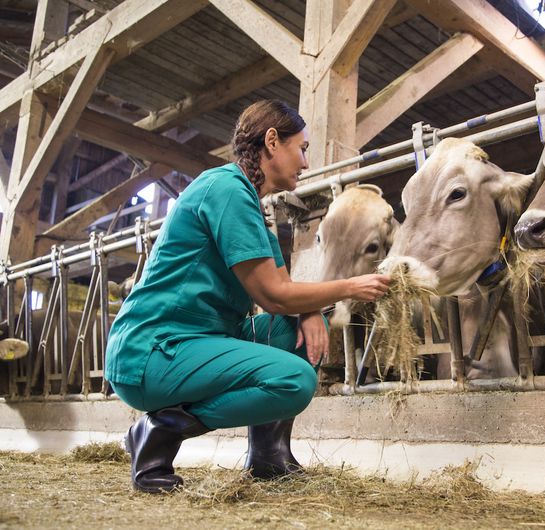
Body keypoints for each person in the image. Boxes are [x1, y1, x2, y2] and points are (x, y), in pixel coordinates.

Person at [105, 100, 391, 494]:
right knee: (294, 381)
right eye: (302, 148)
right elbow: (273, 295)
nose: (305, 163)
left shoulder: (254, 209)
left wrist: (308, 310)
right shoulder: (225, 190)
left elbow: (284, 290)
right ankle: (159, 431)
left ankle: (268, 457)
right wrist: (350, 287)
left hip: (196, 342)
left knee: (300, 330)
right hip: (152, 349)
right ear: (272, 141)